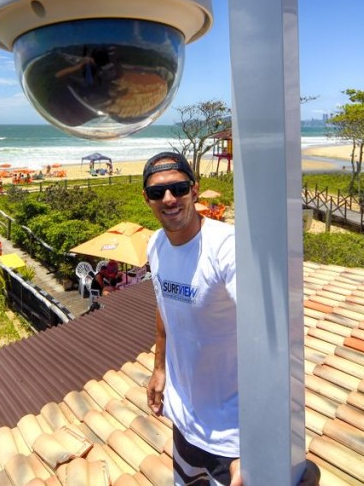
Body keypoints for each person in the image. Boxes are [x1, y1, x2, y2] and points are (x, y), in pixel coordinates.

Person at [142, 151, 241, 486]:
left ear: (194, 190)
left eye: (179, 188)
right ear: (147, 199)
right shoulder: (155, 245)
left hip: (234, 434)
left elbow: (270, 335)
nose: (169, 199)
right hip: (184, 419)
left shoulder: (227, 247)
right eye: (158, 192)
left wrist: (263, 436)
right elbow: (164, 306)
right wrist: (159, 368)